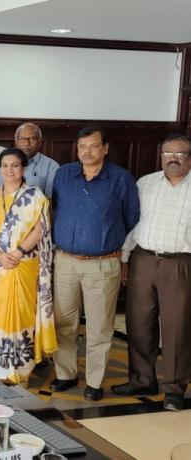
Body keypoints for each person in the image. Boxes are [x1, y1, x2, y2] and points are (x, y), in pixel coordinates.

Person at [51, 126, 139, 401]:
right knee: (63, 322)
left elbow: (132, 217)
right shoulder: (64, 174)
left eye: (93, 146)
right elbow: (54, 208)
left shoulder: (121, 179)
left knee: (99, 327)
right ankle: (65, 373)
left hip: (102, 264)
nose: (87, 152)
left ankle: (94, 381)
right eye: (82, 147)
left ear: (105, 148)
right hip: (65, 261)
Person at [113, 134, 191, 411]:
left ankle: (175, 387)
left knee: (177, 327)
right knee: (139, 322)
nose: (173, 159)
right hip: (143, 259)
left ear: (189, 158)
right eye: (167, 153)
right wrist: (125, 257)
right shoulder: (145, 183)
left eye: (180, 154)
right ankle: (142, 380)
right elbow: (133, 223)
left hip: (180, 263)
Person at [0, 148, 57, 384]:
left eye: (14, 165)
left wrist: (19, 251)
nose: (9, 170)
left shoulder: (35, 195)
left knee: (23, 313)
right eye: (5, 166)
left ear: (23, 168)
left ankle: (20, 369)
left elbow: (41, 228)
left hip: (24, 263)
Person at [0, 123, 60, 197]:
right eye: (22, 139)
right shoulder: (3, 163)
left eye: (32, 139)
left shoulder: (51, 166)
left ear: (40, 142)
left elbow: (50, 199)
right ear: (16, 141)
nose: (26, 143)